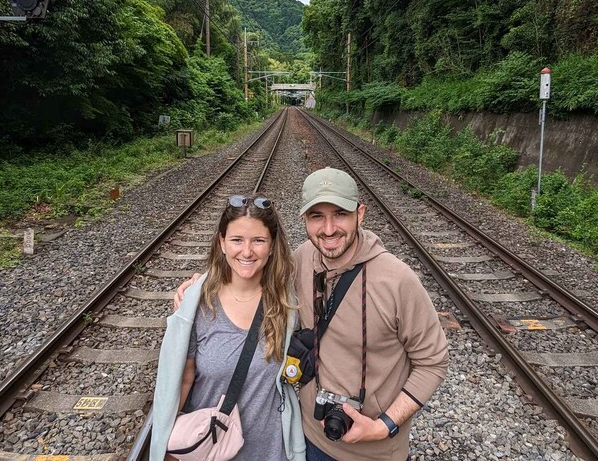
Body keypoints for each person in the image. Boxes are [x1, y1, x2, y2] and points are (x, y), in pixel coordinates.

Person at [176, 168, 450, 461]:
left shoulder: (398, 281)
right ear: (304, 220)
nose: (329, 229)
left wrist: (384, 426)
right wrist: (199, 286)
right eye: (317, 216)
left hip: (376, 453)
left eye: (340, 214)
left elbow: (433, 362)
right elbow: (249, 266)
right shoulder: (301, 260)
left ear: (360, 214)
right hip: (305, 440)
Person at [149, 193, 307, 461]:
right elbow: (183, 380)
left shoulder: (287, 304)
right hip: (210, 450)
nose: (246, 252)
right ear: (222, 243)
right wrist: (166, 448)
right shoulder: (198, 306)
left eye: (258, 240)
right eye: (237, 240)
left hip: (270, 452)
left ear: (271, 246)